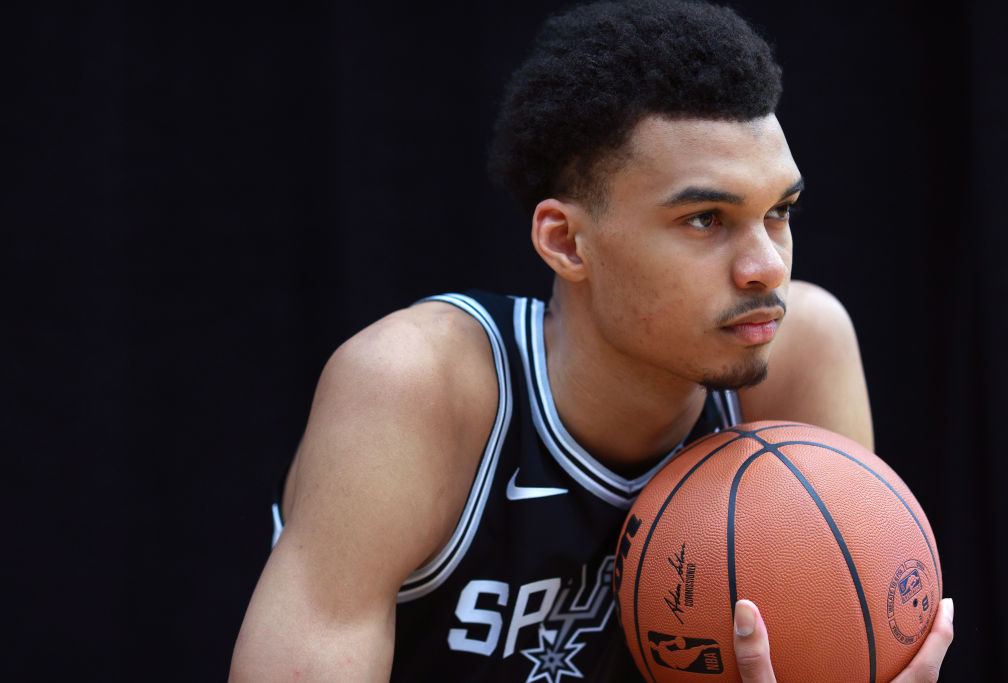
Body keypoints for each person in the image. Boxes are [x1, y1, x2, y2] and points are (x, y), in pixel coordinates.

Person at [229, 1, 954, 680]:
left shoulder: (799, 355)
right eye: (706, 218)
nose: (767, 266)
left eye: (780, 211)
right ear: (566, 240)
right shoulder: (419, 388)